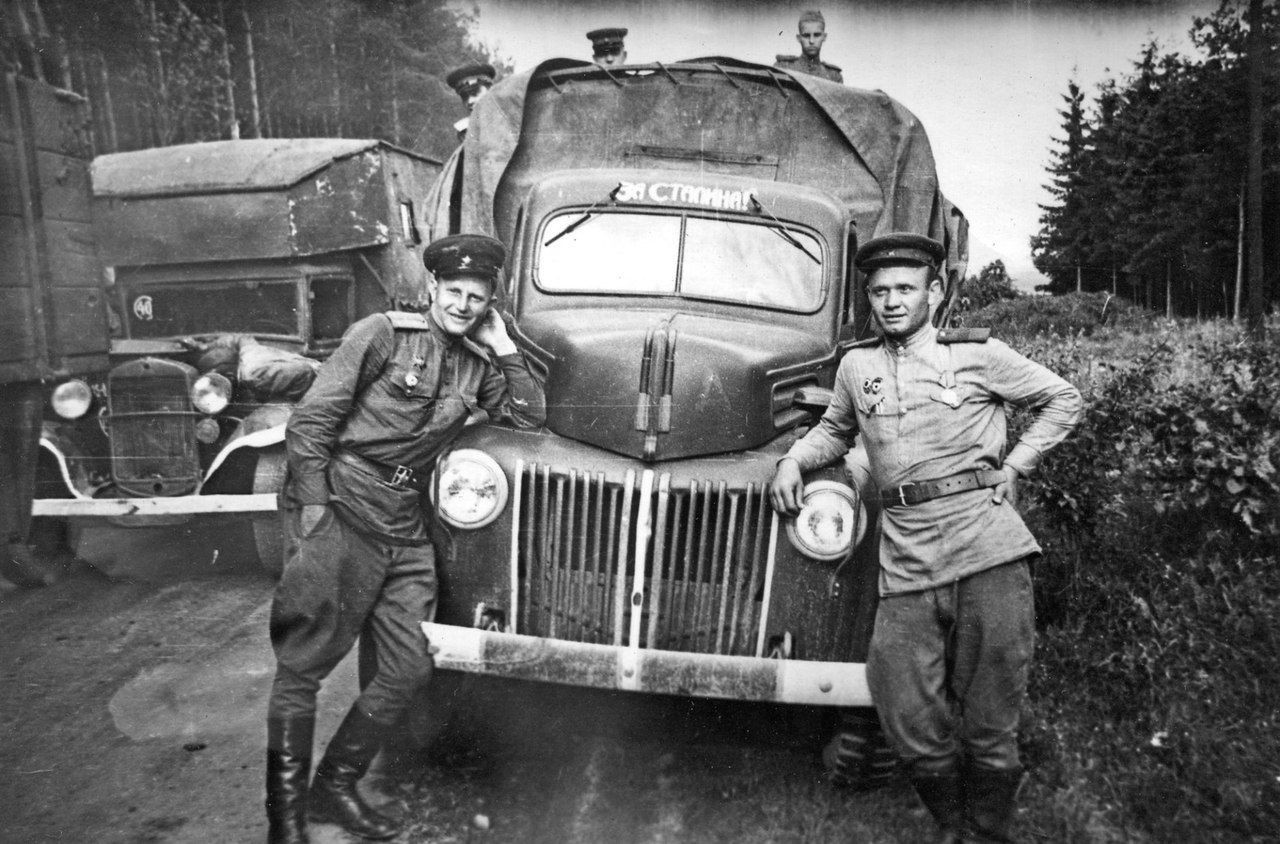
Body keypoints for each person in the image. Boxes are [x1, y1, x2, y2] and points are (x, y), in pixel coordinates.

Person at [769, 233, 1081, 843]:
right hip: (907, 555)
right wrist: (792, 460)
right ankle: (953, 821)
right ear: (868, 297)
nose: (891, 301)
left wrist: (1017, 464)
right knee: (901, 702)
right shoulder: (857, 366)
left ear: (934, 293)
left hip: (988, 549)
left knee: (991, 715)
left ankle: (981, 830)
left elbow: (1061, 398)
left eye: (906, 289)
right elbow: (834, 430)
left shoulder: (979, 356)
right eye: (880, 291)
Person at [264, 233, 546, 843]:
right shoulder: (383, 335)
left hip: (405, 521)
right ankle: (284, 820)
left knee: (408, 667)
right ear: (432, 287)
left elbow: (529, 419)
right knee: (304, 664)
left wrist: (505, 348)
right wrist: (314, 510)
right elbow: (311, 422)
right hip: (344, 504)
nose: (463, 305)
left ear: (490, 304)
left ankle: (333, 788)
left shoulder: (478, 363)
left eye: (477, 297)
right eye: (454, 291)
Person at [774, 10, 843, 83]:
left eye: (816, 35)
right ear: (799, 38)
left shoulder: (834, 76)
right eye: (806, 36)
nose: (811, 41)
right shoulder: (783, 68)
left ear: (824, 37)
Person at [445, 62, 496, 138]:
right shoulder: (466, 131)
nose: (469, 101)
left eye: (474, 92)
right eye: (464, 96)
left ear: (490, 90)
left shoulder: (512, 116)